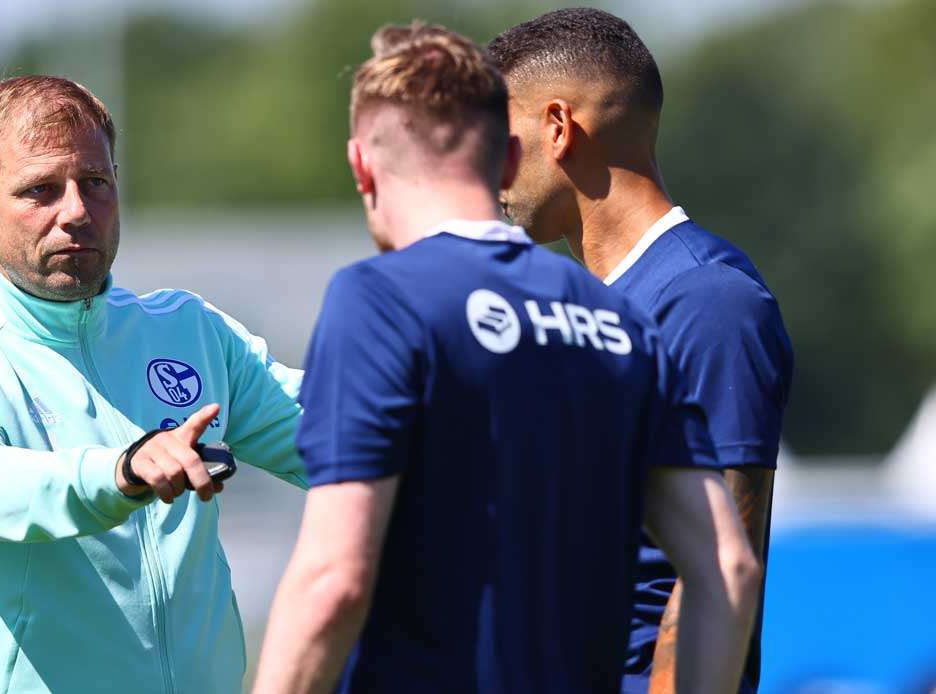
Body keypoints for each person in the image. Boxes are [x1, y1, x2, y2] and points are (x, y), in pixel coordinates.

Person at [252, 22, 761, 694]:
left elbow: (334, 579)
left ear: (362, 165)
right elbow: (728, 566)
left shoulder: (382, 298)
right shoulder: (620, 320)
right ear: (509, 160)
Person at [0, 75, 306, 694]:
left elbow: (343, 435)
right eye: (40, 191)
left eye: (95, 183)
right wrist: (120, 471)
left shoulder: (191, 332)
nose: (76, 212)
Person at [488, 9, 795, 693]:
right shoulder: (568, 306)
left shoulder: (709, 301)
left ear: (559, 129)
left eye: (499, 141)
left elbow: (716, 568)